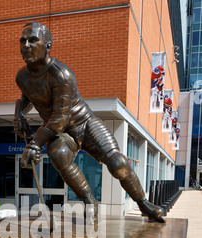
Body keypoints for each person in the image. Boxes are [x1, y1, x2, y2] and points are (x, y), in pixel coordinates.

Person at [14, 22, 165, 222]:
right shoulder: (22, 76)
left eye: (33, 40)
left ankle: (143, 203)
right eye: (23, 41)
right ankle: (89, 201)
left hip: (84, 123)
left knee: (118, 162)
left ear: (48, 45)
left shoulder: (61, 74)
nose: (26, 45)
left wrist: (35, 144)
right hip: (61, 132)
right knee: (59, 154)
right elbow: (27, 97)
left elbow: (60, 118)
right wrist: (19, 115)